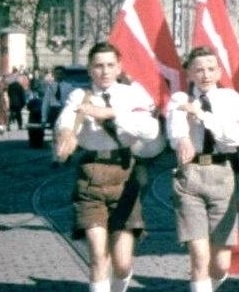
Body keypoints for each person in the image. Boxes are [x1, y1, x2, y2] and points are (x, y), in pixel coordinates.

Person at [53, 42, 161, 292]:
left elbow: (150, 130)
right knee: (98, 256)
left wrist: (110, 113)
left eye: (110, 65)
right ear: (90, 69)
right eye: (98, 66)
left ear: (119, 67)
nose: (104, 71)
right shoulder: (79, 96)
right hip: (90, 176)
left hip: (125, 176)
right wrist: (65, 136)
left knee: (122, 263)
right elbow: (66, 120)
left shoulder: (133, 94)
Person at [167, 46, 239, 292]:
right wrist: (182, 139)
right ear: (190, 73)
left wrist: (204, 116)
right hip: (190, 176)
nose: (205, 75)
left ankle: (212, 283)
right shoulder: (180, 99)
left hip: (221, 174)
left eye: (210, 69)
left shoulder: (232, 99)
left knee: (220, 262)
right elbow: (175, 127)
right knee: (199, 255)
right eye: (199, 70)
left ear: (219, 71)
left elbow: (237, 138)